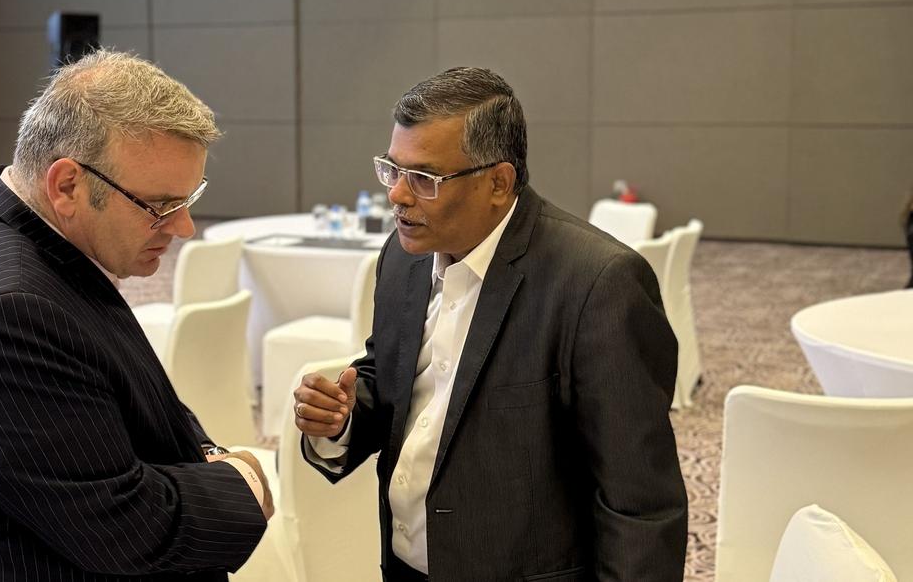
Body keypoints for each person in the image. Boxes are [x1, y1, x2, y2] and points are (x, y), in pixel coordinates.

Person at [0, 50, 272, 581]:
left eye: (190, 199)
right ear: (67, 185)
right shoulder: (4, 314)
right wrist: (244, 480)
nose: (184, 228)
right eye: (160, 205)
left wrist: (201, 455)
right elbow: (121, 526)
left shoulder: (7, 235)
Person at [294, 67, 687, 581]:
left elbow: (640, 505)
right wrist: (343, 418)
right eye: (392, 170)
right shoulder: (403, 257)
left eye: (424, 178)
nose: (397, 195)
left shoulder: (597, 284)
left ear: (498, 182)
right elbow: (395, 381)